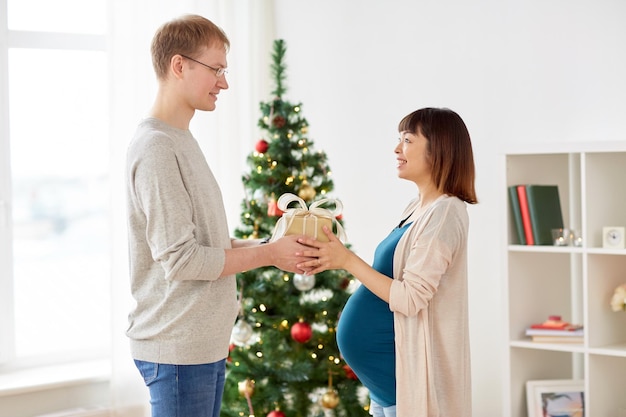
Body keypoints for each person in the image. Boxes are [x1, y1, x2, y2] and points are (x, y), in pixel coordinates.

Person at [125, 14, 312, 417]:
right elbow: (183, 260)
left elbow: (207, 245)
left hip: (199, 344)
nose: (223, 83)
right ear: (179, 65)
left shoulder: (181, 140)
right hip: (178, 348)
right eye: (216, 69)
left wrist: (274, 246)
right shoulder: (157, 148)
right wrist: (269, 255)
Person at [298, 107, 478, 417]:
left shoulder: (445, 213)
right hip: (386, 388)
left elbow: (410, 298)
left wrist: (348, 261)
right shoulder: (417, 207)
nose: (397, 149)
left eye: (407, 140)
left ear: (439, 149)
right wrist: (334, 258)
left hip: (407, 385)